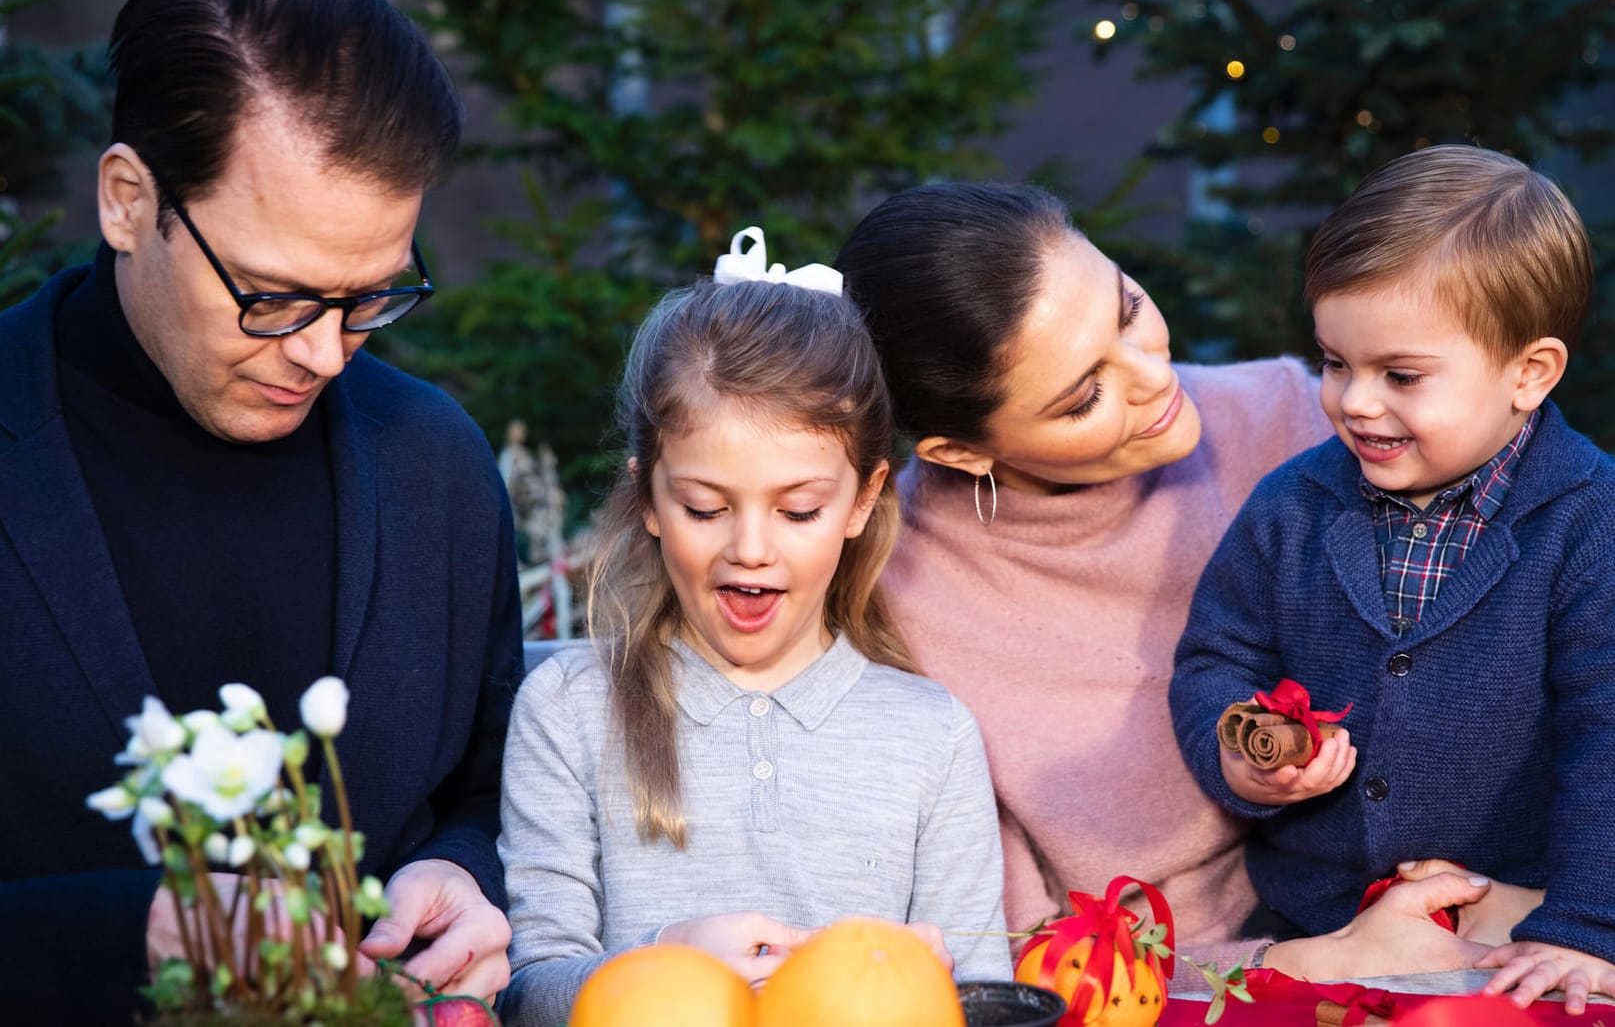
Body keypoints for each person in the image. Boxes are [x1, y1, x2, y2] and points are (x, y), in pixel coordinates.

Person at [0, 0, 521, 1018]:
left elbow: (490, 789)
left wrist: (466, 878)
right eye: (274, 297)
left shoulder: (435, 464)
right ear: (128, 201)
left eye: (372, 294)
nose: (329, 355)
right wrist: (123, 932)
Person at [834, 181, 1511, 982]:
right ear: (959, 453)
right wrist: (1308, 962)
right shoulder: (897, 611)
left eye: (1125, 309)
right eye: (1084, 395)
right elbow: (1014, 956)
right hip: (1186, 989)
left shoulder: (1295, 419)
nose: (1154, 376)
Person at [497, 230, 1010, 1026]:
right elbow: (529, 991)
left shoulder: (931, 734)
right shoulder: (566, 709)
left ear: (862, 499)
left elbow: (983, 990)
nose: (750, 549)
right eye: (704, 507)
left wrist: (933, 983)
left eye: (798, 509)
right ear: (649, 501)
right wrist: (665, 956)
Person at [1169, 145, 1615, 1012]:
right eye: (1335, 363)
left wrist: (1586, 925)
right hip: (1315, 929)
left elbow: (1608, 737)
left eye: (1399, 375)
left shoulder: (1588, 524)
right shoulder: (1293, 503)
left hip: (1512, 931)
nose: (1355, 402)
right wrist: (1240, 747)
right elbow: (1215, 654)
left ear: (1529, 372)